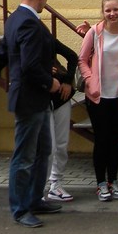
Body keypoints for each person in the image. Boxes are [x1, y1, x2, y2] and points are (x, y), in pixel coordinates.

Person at [0, 0, 65, 228]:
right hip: (29, 99)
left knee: (43, 150)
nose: (46, 0)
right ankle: (20, 209)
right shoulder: (28, 22)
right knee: (25, 157)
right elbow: (29, 65)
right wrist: (51, 83)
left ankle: (34, 200)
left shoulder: (15, 18)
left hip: (35, 99)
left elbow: (3, 51)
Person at [78, 0, 118, 202]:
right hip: (99, 95)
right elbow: (82, 60)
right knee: (102, 140)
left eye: (115, 9)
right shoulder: (95, 32)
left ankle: (113, 180)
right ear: (103, 12)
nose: (112, 13)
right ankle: (101, 183)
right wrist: (90, 79)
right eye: (108, 10)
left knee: (115, 140)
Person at [43, 38, 79, 203]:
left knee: (61, 143)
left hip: (60, 98)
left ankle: (56, 184)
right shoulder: (22, 41)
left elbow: (72, 56)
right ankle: (39, 188)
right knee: (48, 147)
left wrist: (67, 81)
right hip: (39, 99)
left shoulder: (45, 37)